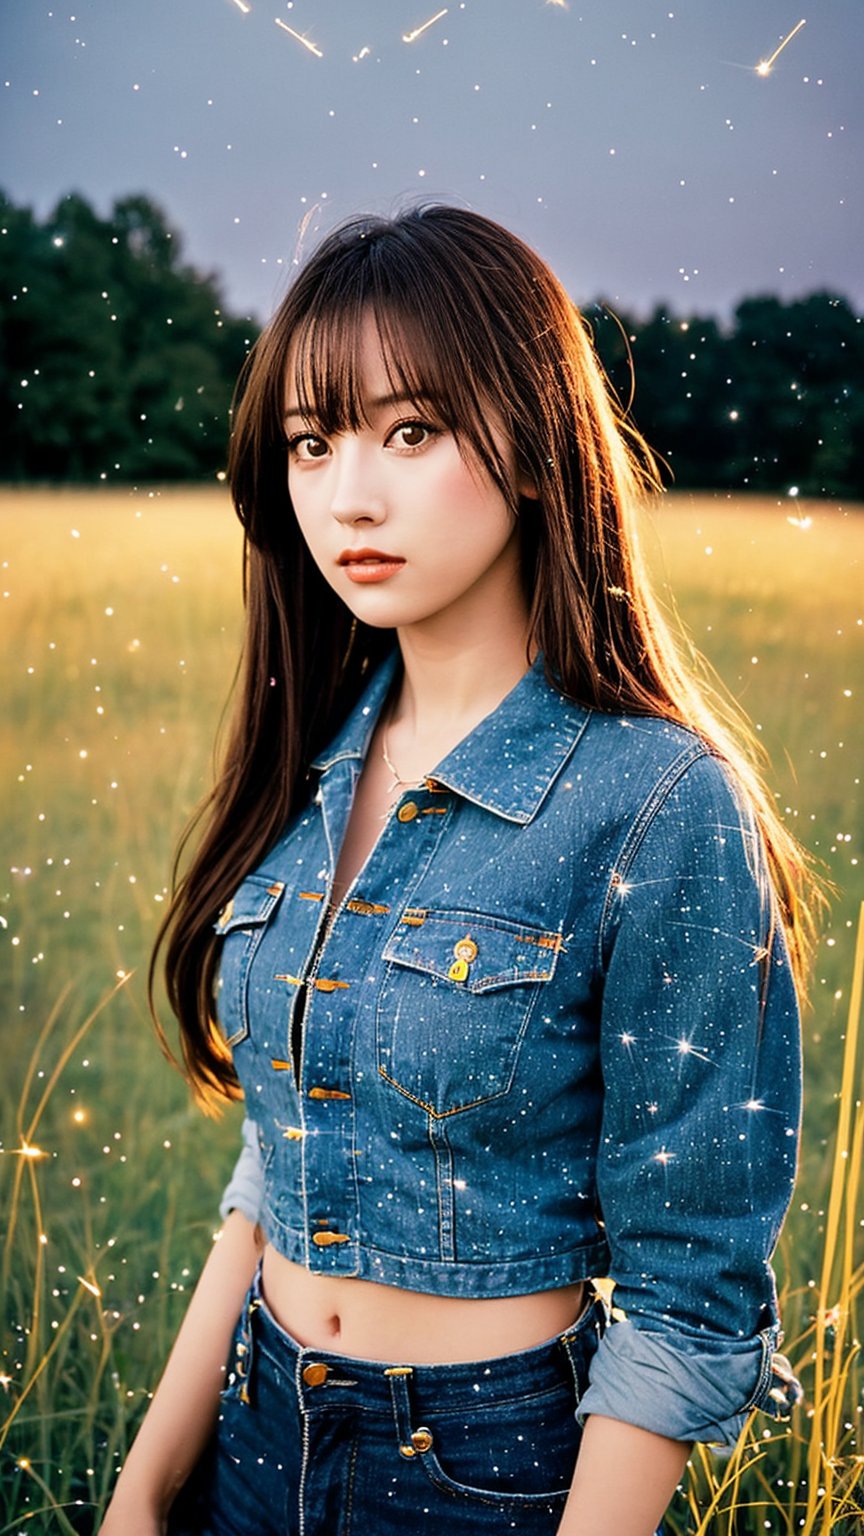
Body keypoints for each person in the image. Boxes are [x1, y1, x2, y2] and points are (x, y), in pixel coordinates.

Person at [100, 206, 810, 1536]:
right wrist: (144, 1488)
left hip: (481, 1471)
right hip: (256, 1435)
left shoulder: (658, 803)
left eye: (411, 431)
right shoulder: (306, 760)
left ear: (536, 443)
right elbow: (280, 1159)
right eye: (314, 443)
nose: (349, 494)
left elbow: (689, 1285)